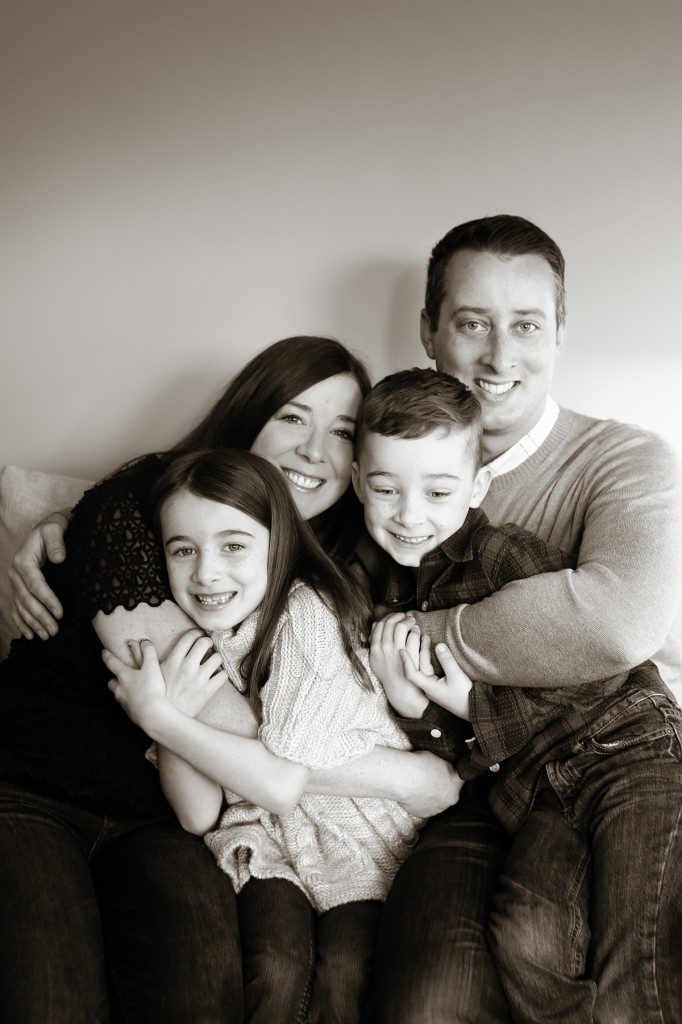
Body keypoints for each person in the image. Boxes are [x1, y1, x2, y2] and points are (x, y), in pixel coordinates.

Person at [1, 335, 460, 1023]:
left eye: (341, 432)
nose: (315, 451)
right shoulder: (137, 511)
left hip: (165, 818)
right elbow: (246, 738)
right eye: (292, 417)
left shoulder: (326, 561)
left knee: (206, 997)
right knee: (52, 1000)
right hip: (36, 788)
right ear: (248, 413)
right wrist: (407, 777)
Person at [359, 216, 682, 1024]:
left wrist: (416, 636)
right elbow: (246, 486)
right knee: (433, 1000)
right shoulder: (387, 456)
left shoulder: (622, 460)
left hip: (614, 751)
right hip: (485, 789)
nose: (500, 356)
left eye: (527, 325)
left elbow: (617, 623)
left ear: (560, 332)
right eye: (473, 323)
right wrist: (87, 526)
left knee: (637, 957)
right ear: (429, 330)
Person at [104, 447, 427, 1024]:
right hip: (265, 845)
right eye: (183, 550)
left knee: (344, 977)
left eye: (233, 546)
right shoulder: (191, 646)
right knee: (273, 968)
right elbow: (197, 815)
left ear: (278, 545)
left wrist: (161, 719)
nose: (206, 573)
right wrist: (176, 718)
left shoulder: (305, 613)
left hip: (359, 839)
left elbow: (281, 781)